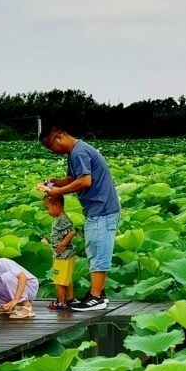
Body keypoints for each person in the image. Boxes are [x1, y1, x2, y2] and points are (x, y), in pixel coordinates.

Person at [38, 126, 118, 311]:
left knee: (98, 251)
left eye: (51, 147)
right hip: (98, 208)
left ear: (59, 137)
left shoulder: (79, 152)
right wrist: (53, 182)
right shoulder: (76, 151)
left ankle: (96, 297)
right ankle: (99, 294)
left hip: (102, 209)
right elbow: (72, 178)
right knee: (95, 250)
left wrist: (58, 191)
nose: (52, 151)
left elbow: (84, 181)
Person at [44, 192, 77, 312]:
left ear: (56, 205)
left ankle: (61, 302)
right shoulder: (63, 218)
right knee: (67, 280)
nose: (47, 211)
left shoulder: (61, 219)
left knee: (58, 281)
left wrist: (63, 243)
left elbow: (72, 232)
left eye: (48, 208)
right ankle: (70, 299)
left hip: (62, 256)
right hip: (67, 255)